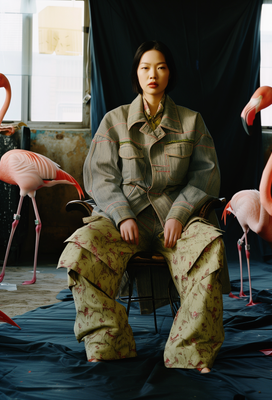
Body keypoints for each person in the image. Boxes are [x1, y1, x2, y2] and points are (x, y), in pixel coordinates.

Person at [58, 40, 230, 373]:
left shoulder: (192, 122)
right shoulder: (114, 121)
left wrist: (180, 214)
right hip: (125, 220)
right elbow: (101, 177)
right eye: (145, 67)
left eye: (161, 67)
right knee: (81, 249)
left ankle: (189, 351)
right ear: (136, 74)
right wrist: (121, 214)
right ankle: (109, 342)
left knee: (210, 247)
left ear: (170, 74)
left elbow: (205, 176)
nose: (153, 74)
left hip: (174, 222)